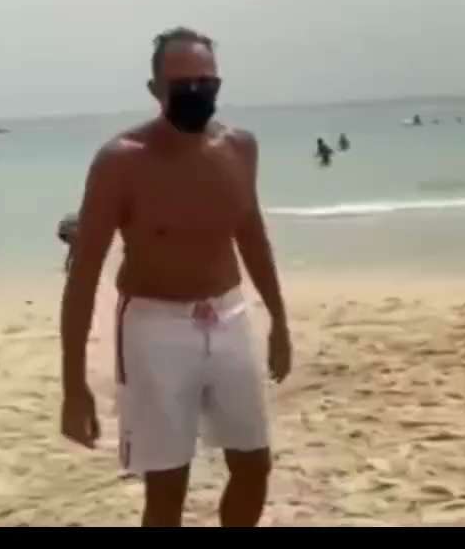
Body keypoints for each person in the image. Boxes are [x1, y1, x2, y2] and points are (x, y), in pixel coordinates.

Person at [59, 27, 292, 527]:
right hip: (154, 327)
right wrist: (73, 385)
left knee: (254, 466)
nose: (195, 92)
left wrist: (279, 320)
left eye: (205, 81)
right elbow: (84, 275)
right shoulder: (122, 161)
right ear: (155, 89)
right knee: (167, 487)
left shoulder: (239, 148)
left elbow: (252, 236)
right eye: (182, 82)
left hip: (228, 315)